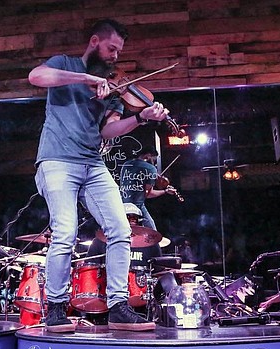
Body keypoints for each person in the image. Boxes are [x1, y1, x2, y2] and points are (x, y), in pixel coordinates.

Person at [27, 18, 169, 332]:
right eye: (111, 48)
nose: (115, 56)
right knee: (65, 231)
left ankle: (118, 306)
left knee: (121, 230)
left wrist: (142, 118)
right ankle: (55, 307)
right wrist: (84, 78)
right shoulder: (64, 65)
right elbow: (36, 76)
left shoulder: (112, 88)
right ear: (94, 41)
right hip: (57, 161)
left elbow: (108, 130)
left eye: (119, 51)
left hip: (92, 163)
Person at [86, 203, 162, 268]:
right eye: (128, 217)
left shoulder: (151, 243)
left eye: (135, 218)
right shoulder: (100, 241)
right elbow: (90, 268)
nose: (132, 220)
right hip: (109, 282)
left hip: (141, 283)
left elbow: (160, 270)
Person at [119, 146, 178, 231]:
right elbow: (148, 194)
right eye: (153, 160)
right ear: (148, 156)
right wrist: (165, 191)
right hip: (137, 206)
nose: (154, 163)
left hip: (122, 205)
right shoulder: (151, 168)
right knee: (152, 233)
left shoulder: (126, 164)